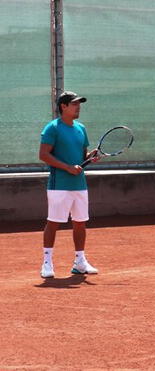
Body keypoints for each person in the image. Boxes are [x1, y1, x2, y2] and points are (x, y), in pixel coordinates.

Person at [38, 91, 100, 278]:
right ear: (63, 106)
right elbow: (44, 155)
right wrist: (67, 168)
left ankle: (79, 261)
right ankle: (47, 262)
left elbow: (81, 157)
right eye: (74, 104)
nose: (78, 106)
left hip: (79, 185)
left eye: (79, 104)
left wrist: (90, 158)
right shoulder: (52, 128)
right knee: (54, 222)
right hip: (59, 184)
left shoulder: (81, 128)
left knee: (80, 223)